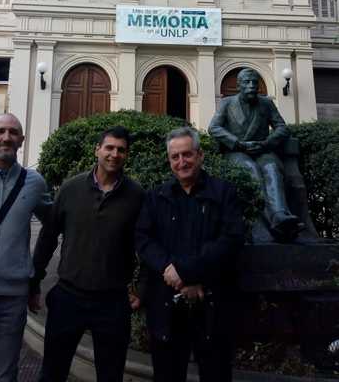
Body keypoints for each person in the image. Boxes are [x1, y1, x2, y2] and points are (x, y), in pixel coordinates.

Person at [32, 125, 144, 382]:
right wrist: (34, 280)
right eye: (109, 147)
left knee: (110, 374)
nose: (114, 154)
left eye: (121, 150)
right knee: (52, 372)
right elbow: (48, 237)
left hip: (113, 303)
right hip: (68, 297)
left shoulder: (136, 195)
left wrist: (142, 287)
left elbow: (146, 244)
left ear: (126, 155)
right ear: (97, 150)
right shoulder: (70, 189)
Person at [136, 126, 245, 382]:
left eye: (187, 155)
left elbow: (231, 240)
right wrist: (170, 271)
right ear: (169, 160)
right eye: (175, 157)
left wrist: (187, 273)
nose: (181, 162)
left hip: (212, 306)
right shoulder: (156, 196)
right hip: (166, 308)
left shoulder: (224, 193)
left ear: (200, 155)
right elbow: (143, 239)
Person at [0, 113, 51, 382]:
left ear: (21, 140)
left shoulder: (34, 183)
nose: (6, 137)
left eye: (13, 132)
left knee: (6, 373)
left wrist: (34, 276)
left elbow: (53, 224)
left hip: (12, 297)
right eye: (0, 131)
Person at [208, 68, 301, 242]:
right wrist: (237, 143)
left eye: (254, 82)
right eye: (247, 82)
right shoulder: (227, 103)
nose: (252, 86)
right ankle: (275, 220)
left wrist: (267, 143)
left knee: (272, 168)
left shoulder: (266, 103)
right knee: (250, 170)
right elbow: (213, 128)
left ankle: (281, 214)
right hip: (237, 152)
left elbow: (282, 127)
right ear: (238, 85)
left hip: (262, 150)